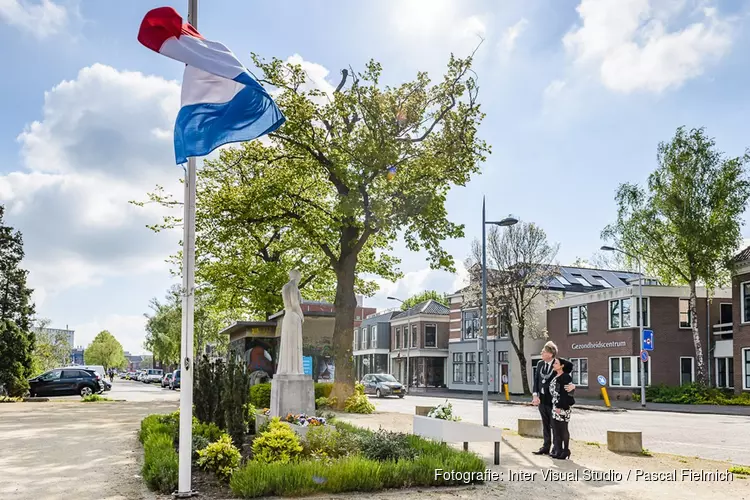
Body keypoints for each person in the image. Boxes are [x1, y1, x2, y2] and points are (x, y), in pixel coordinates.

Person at [531, 341, 575, 456]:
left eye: (544, 351)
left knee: (555, 426)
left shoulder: (557, 365)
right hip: (542, 400)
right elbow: (536, 381)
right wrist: (535, 395)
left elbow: (567, 379)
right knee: (545, 425)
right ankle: (545, 447)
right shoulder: (540, 364)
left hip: (554, 402)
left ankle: (556, 449)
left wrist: (573, 386)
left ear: (550, 354)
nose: (541, 352)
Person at [550, 357, 575, 459]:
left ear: (562, 366)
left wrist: (560, 407)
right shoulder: (555, 376)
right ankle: (558, 450)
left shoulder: (565, 377)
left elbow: (565, 394)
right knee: (556, 429)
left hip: (562, 407)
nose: (553, 365)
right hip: (555, 406)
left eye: (556, 363)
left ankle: (566, 450)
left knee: (563, 428)